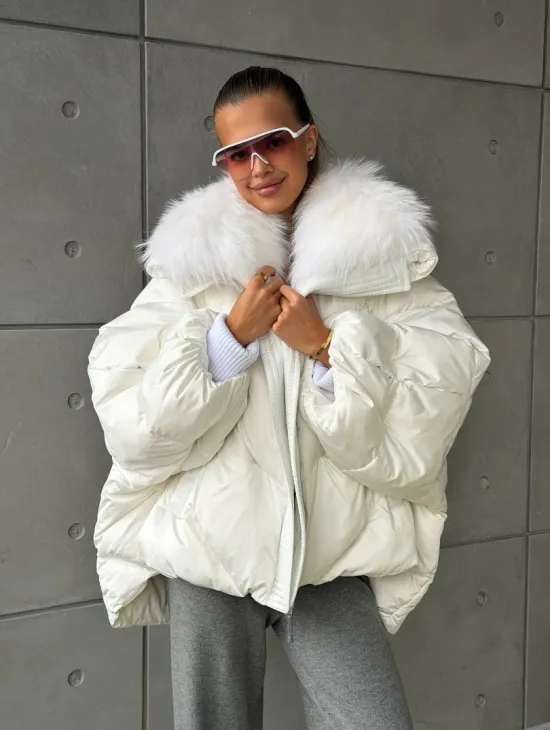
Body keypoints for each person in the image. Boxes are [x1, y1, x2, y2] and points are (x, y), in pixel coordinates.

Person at [88, 66, 490, 730]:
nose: (256, 167)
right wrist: (227, 339)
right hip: (210, 550)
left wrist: (327, 348)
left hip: (329, 556)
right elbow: (133, 418)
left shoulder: (382, 255)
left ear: (307, 139)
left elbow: (442, 383)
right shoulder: (190, 264)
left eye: (271, 141)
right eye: (235, 153)